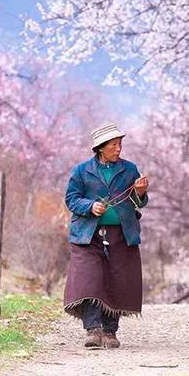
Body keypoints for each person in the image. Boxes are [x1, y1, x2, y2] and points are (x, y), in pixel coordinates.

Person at [63, 121, 149, 349]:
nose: (118, 149)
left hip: (121, 235)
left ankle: (110, 332)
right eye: (113, 144)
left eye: (120, 144)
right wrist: (90, 206)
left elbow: (138, 202)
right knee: (90, 280)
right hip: (87, 235)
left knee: (117, 280)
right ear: (100, 147)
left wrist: (140, 193)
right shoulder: (82, 171)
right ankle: (93, 330)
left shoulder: (129, 169)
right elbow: (71, 199)